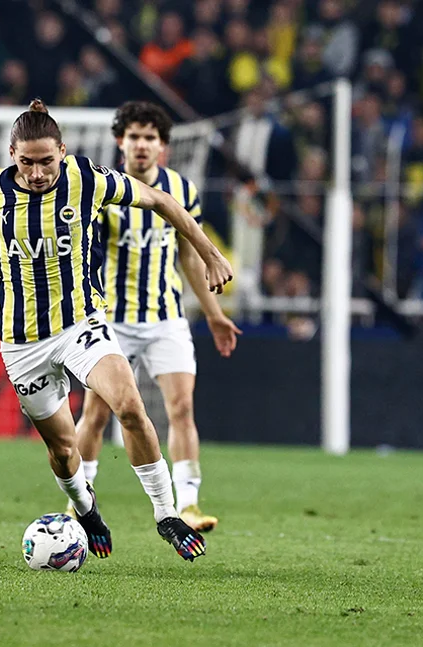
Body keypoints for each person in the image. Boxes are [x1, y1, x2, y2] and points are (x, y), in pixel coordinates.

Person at [0, 100, 233, 561]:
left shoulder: (86, 178)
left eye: (46, 161)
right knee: (63, 450)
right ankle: (86, 510)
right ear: (12, 155)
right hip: (22, 342)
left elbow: (161, 200)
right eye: (27, 162)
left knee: (131, 407)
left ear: (62, 151)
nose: (37, 173)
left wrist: (210, 253)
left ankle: (167, 515)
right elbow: (0, 255)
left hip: (81, 323)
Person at [74, 101, 242, 532]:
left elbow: (189, 257)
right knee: (96, 414)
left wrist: (214, 314)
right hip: (112, 321)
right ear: (120, 141)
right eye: (134, 136)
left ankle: (189, 504)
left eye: (150, 137)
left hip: (166, 317)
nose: (142, 145)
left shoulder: (182, 191)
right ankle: (81, 501)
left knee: (181, 408)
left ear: (162, 145)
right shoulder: (104, 189)